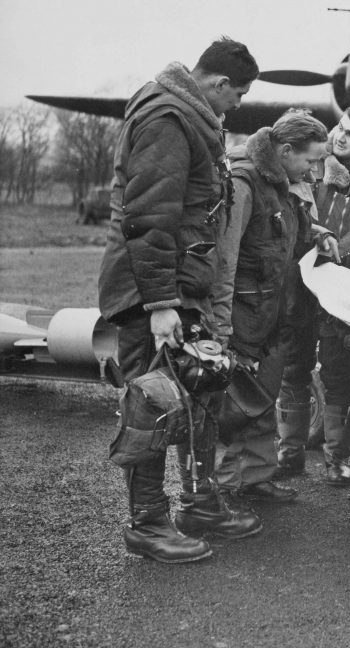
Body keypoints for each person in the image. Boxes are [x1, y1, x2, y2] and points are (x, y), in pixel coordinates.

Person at [99, 38, 262, 564]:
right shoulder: (168, 117)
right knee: (151, 402)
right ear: (216, 84)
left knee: (199, 389)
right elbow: (149, 214)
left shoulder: (191, 116)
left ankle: (199, 503)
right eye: (237, 94)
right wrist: (160, 304)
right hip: (153, 291)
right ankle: (147, 524)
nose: (237, 105)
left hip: (178, 286)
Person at [210, 109, 330, 507]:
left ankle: (256, 478)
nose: (313, 172)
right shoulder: (243, 183)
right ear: (285, 149)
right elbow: (224, 259)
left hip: (273, 313)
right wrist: (221, 326)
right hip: (243, 316)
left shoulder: (282, 182)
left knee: (263, 395)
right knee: (234, 402)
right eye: (310, 160)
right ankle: (224, 487)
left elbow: (285, 237)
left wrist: (318, 237)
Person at [275, 104, 350, 486]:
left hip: (344, 291)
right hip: (302, 282)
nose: (339, 137)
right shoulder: (312, 168)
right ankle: (289, 452)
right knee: (293, 366)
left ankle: (337, 459)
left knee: (338, 373)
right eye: (340, 128)